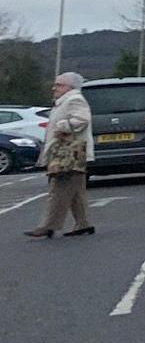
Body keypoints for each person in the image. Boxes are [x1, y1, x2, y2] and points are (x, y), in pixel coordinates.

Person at [26, 73, 94, 240]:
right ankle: (83, 223)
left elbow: (82, 119)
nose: (54, 88)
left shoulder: (74, 100)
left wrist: (64, 126)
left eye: (59, 84)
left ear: (70, 87)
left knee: (58, 189)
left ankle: (48, 226)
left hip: (68, 154)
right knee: (76, 191)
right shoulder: (64, 101)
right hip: (72, 154)